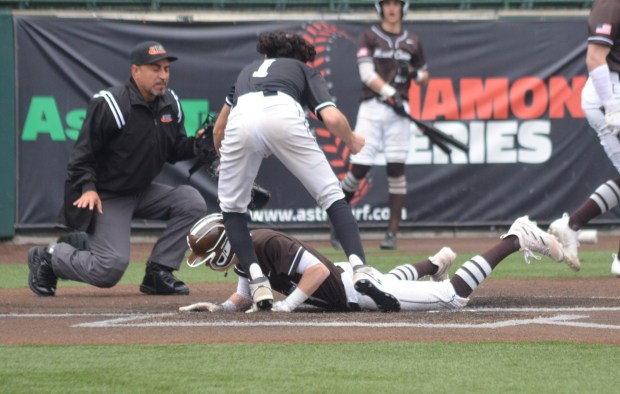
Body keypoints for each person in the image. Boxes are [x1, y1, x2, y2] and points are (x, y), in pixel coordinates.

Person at [26, 41, 208, 297]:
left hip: (141, 191)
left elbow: (174, 150)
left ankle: (158, 272)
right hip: (106, 195)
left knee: (191, 202)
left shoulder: (171, 103)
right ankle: (49, 257)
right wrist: (88, 188)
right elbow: (81, 157)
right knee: (108, 269)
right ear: (135, 71)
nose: (163, 76)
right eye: (155, 69)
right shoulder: (111, 104)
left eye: (166, 69)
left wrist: (199, 144)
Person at [180, 214, 564, 313]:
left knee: (452, 298)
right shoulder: (248, 254)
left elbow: (314, 271)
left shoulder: (265, 242)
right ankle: (434, 262)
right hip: (349, 285)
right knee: (389, 279)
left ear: (222, 248)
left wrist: (287, 305)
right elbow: (245, 295)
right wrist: (220, 307)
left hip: (355, 290)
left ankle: (516, 238)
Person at [334, 0, 429, 250]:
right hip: (373, 108)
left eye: (396, 3)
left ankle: (392, 233)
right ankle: (338, 224)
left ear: (404, 7)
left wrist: (414, 75)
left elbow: (424, 75)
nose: (392, 8)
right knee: (359, 169)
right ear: (380, 7)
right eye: (387, 3)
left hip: (399, 111)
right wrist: (389, 92)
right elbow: (366, 74)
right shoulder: (368, 36)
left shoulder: (413, 41)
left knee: (396, 169)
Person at [548, 0, 620, 276]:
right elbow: (594, 57)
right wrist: (612, 108)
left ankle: (572, 224)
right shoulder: (611, 4)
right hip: (609, 97)